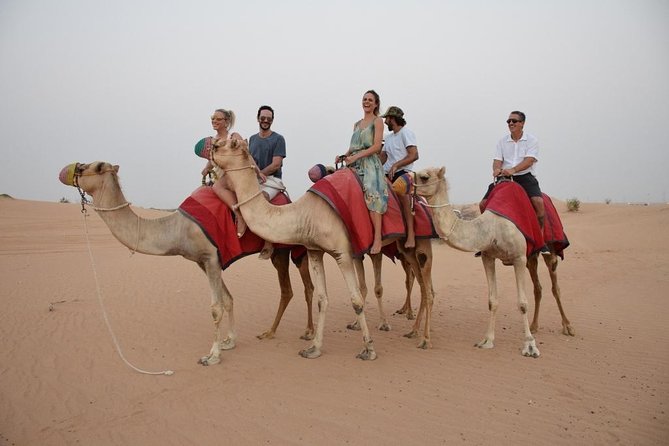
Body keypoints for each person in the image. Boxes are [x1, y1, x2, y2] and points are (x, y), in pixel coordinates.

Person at [478, 110, 549, 255]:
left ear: (522, 123)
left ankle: (540, 241)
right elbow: (497, 160)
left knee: (539, 205)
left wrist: (514, 170)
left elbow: (529, 160)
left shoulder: (531, 140)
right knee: (483, 204)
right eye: (509, 121)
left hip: (524, 177)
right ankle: (486, 241)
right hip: (504, 178)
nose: (511, 123)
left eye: (514, 121)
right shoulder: (502, 141)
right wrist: (497, 169)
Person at [336, 90, 388, 255]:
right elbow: (352, 147)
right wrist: (344, 155)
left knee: (372, 192)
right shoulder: (357, 124)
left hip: (370, 164)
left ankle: (378, 238)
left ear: (376, 104)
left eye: (370, 100)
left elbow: (376, 146)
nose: (366, 102)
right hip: (354, 161)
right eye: (364, 99)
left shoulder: (378, 121)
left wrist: (356, 156)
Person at [198, 108, 263, 238]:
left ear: (226, 122)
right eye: (213, 118)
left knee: (218, 187)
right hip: (218, 176)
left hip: (233, 176)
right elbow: (213, 160)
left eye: (218, 119)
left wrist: (258, 171)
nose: (214, 121)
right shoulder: (212, 141)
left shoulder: (233, 137)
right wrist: (206, 169)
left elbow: (246, 155)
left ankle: (240, 216)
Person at [248, 105, 287, 259]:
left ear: (272, 120)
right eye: (263, 118)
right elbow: (249, 161)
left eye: (268, 119)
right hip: (255, 178)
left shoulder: (278, 139)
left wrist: (260, 174)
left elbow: (276, 164)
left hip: (272, 180)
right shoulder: (252, 139)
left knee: (262, 198)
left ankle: (268, 241)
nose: (265, 121)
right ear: (258, 118)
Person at [379, 106, 419, 249]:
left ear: (392, 119)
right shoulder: (388, 138)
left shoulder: (406, 133)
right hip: (385, 172)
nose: (385, 122)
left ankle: (411, 235)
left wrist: (396, 165)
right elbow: (382, 158)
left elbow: (414, 155)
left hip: (402, 172)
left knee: (402, 194)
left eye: (386, 119)